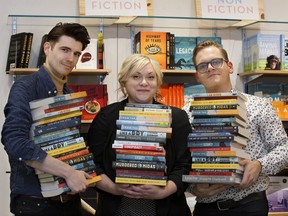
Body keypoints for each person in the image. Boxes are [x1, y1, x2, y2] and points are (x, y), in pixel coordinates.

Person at [187, 40, 288, 216]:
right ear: (197, 75)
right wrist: (193, 187)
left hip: (250, 206)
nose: (210, 68)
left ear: (230, 66)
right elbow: (180, 162)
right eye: (203, 65)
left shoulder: (259, 105)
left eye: (216, 62)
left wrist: (259, 165)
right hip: (206, 209)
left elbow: (284, 148)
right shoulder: (187, 113)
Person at [1, 22, 92, 216]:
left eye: (76, 54)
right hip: (35, 204)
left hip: (69, 201)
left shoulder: (69, 94)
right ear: (47, 48)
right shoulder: (25, 88)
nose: (70, 59)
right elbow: (15, 142)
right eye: (65, 50)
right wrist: (68, 172)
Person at [86, 53, 192, 216]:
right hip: (116, 210)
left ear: (157, 83)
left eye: (151, 77)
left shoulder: (177, 118)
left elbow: (185, 166)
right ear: (124, 81)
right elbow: (92, 164)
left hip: (168, 209)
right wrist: (113, 188)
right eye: (136, 76)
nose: (144, 83)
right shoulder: (106, 117)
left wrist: (164, 191)